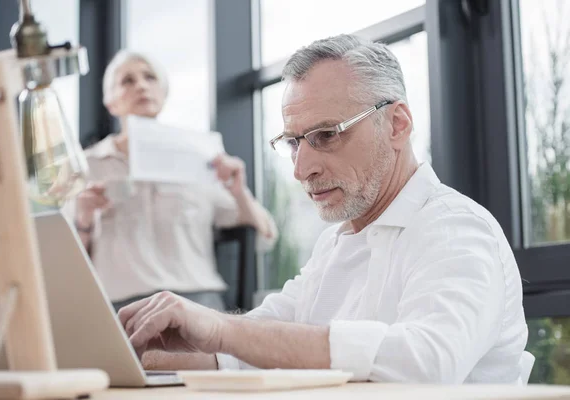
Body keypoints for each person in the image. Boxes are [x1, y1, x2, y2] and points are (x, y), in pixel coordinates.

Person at [117, 35, 528, 383]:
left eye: (327, 135)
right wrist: (128, 350)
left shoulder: (455, 228)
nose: (301, 169)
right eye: (294, 142)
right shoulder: (335, 243)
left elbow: (427, 361)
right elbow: (252, 343)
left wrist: (222, 330)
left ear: (397, 124)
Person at [64, 50, 277, 312]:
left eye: (149, 77)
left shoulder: (201, 158)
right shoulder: (87, 166)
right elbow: (66, 266)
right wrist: (83, 218)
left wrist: (238, 191)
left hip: (196, 300)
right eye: (127, 81)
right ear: (110, 102)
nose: (141, 85)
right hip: (120, 305)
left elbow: (264, 238)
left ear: (163, 94)